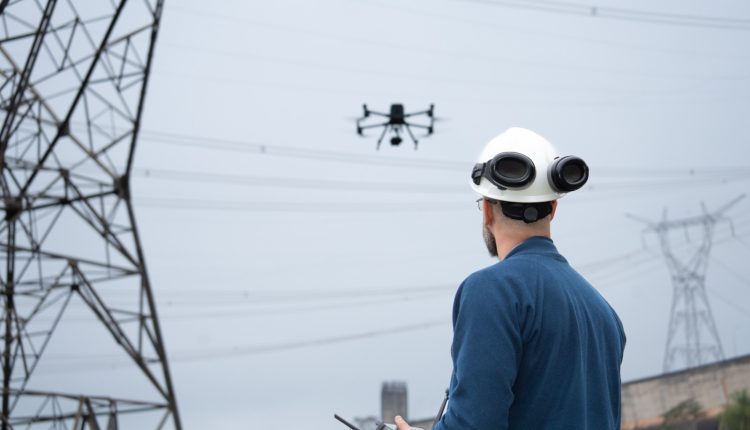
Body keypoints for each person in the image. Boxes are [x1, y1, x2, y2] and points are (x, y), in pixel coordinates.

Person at [395, 127, 626, 430]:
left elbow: (475, 425)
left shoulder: (491, 291)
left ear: (488, 210)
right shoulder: (604, 313)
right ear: (553, 208)